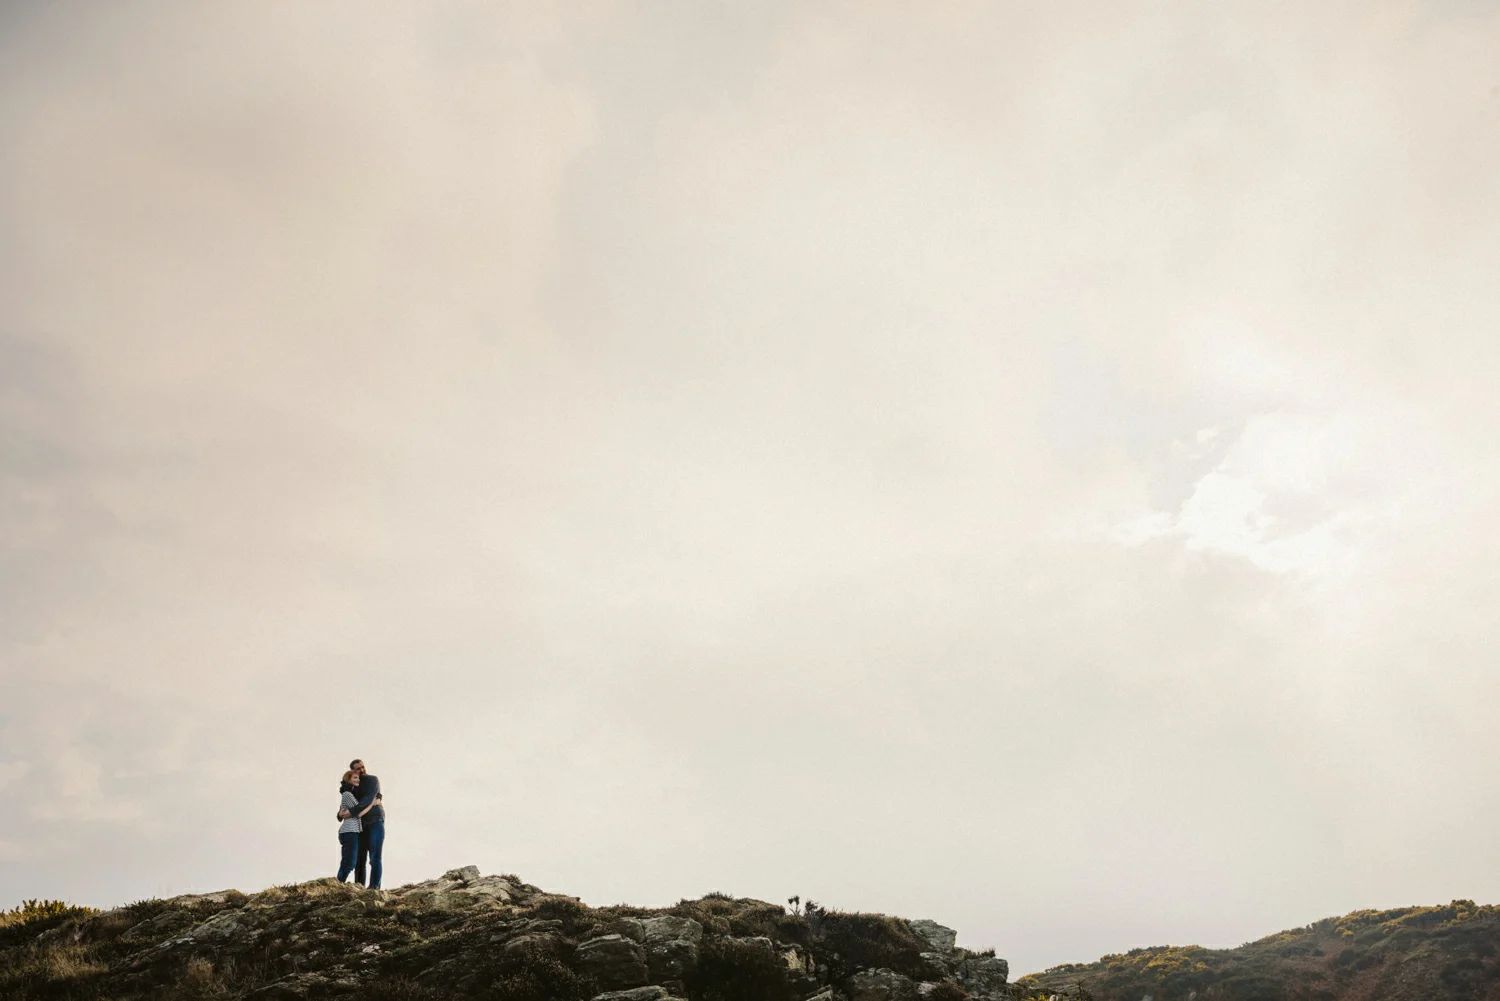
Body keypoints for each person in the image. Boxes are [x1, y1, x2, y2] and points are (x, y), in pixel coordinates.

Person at [339, 758, 385, 888]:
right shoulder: (353, 786)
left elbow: (368, 799)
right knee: (360, 860)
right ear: (353, 771)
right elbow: (346, 801)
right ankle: (359, 888)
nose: (362, 770)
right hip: (360, 825)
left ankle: (374, 888)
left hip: (376, 820)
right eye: (358, 768)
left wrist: (352, 812)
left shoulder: (373, 780)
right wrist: (340, 814)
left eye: (363, 767)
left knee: (375, 857)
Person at [335, 770, 368, 882]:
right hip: (349, 832)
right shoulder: (347, 794)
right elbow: (359, 809)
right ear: (348, 780)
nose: (358, 780)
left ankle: (338, 884)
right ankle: (338, 884)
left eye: (358, 778)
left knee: (348, 862)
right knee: (349, 863)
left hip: (352, 832)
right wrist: (372, 802)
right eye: (355, 778)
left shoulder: (349, 793)